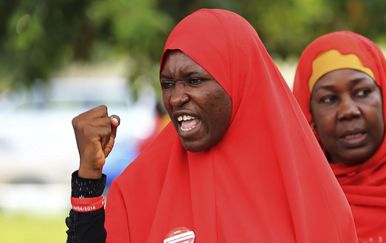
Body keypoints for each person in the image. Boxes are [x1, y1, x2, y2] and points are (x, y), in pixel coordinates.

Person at [66, 9, 358, 242]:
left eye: (195, 81)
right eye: (168, 84)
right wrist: (88, 180)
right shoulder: (140, 187)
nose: (176, 97)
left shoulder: (308, 193)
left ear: (240, 81)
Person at [292, 31, 386, 242]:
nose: (349, 111)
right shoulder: (295, 193)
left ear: (385, 99)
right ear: (309, 115)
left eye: (362, 93)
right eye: (329, 99)